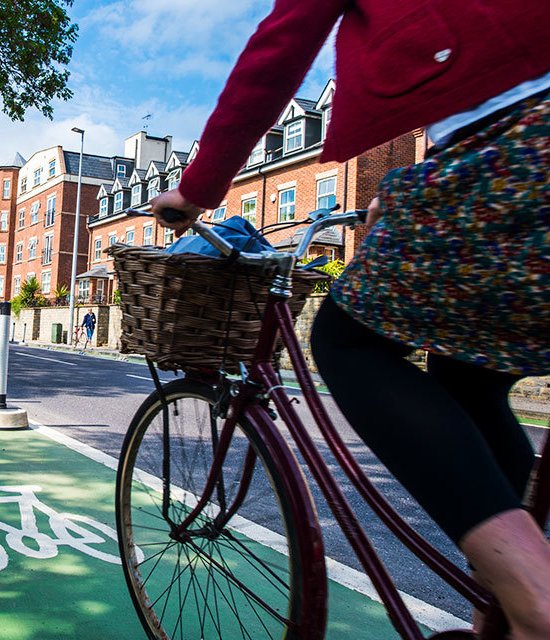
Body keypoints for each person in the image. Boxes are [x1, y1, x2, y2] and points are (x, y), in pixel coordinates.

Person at [149, 1, 550, 637]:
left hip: (510, 140)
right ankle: (494, 615)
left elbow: (279, 49)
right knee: (468, 373)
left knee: (344, 341)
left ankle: (533, 599)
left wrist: (196, 189)